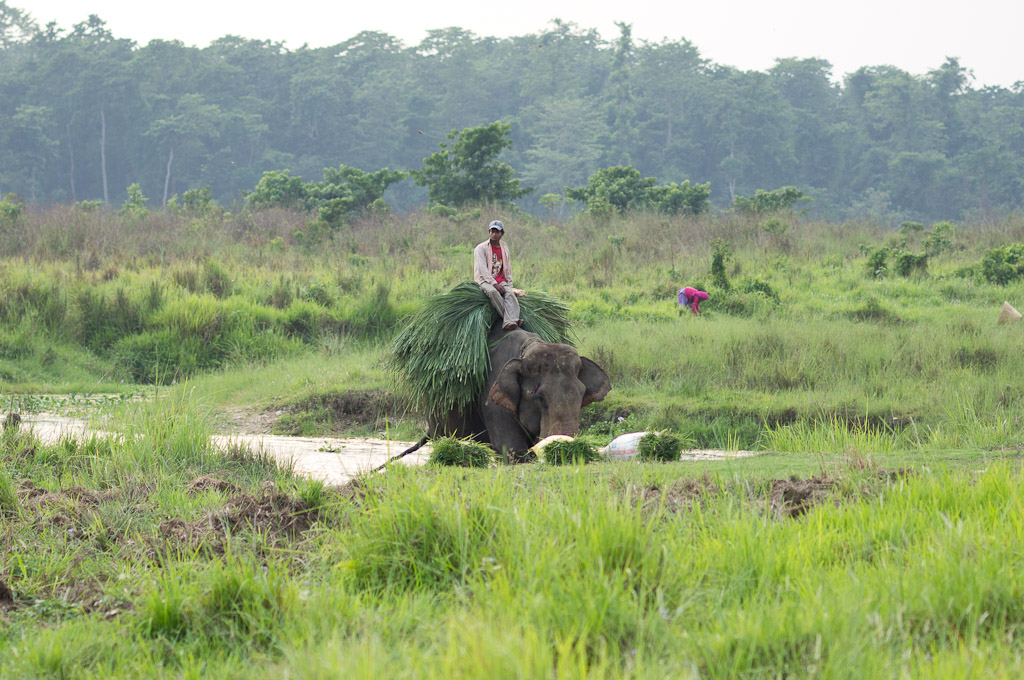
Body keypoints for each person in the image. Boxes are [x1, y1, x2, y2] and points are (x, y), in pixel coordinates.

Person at [474, 219, 523, 330]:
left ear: (502, 234)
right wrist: (494, 284)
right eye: (492, 231)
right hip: (484, 280)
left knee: (510, 293)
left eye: (497, 232)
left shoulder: (504, 247)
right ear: (489, 232)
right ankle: (510, 319)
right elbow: (482, 269)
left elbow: (507, 268)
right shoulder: (480, 248)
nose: (494, 234)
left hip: (501, 280)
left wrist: (509, 285)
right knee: (493, 292)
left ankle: (509, 321)